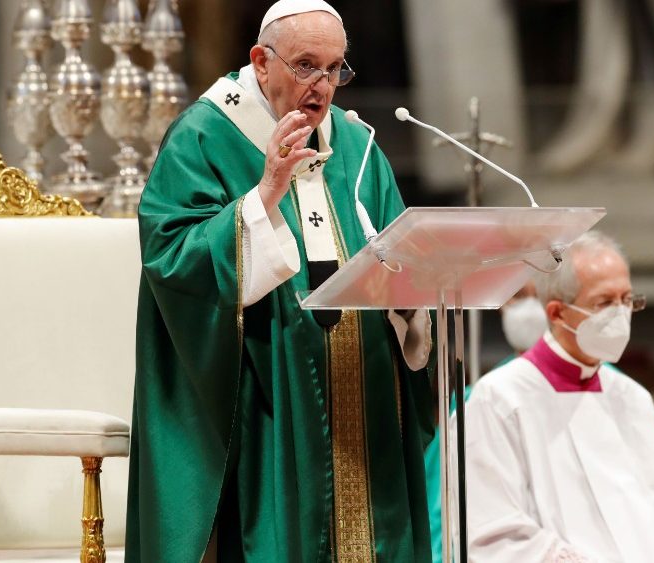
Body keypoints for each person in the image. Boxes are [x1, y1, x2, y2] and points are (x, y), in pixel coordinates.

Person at [125, 1, 435, 561]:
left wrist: (416, 292)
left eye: (336, 68)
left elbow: (400, 250)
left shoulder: (356, 143)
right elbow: (171, 258)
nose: (323, 85)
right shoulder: (204, 133)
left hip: (363, 388)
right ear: (261, 62)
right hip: (265, 389)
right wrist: (265, 192)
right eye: (306, 65)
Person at [464, 230, 654, 562]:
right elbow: (499, 533)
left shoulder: (632, 398)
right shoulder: (498, 400)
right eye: (604, 303)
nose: (620, 314)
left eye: (627, 300)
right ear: (557, 313)